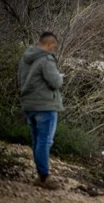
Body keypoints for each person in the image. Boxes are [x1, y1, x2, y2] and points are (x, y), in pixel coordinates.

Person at [18, 32, 64, 190]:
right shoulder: (46, 59)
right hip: (45, 106)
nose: (54, 50)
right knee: (45, 141)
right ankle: (44, 177)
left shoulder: (25, 58)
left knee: (37, 140)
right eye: (54, 47)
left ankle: (41, 174)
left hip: (29, 104)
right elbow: (55, 82)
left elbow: (21, 79)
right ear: (50, 44)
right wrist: (60, 77)